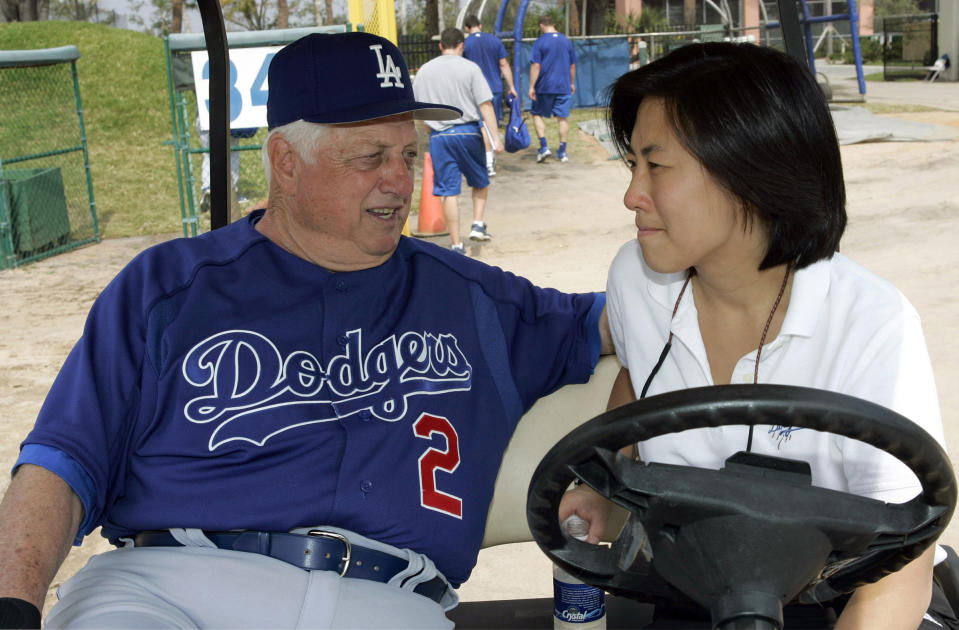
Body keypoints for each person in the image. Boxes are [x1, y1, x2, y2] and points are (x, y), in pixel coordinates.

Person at [0, 31, 612, 629]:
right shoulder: (169, 287)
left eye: (408, 154)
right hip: (170, 587)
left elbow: (637, 321)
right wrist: (13, 606)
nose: (400, 181)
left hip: (390, 600)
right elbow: (61, 462)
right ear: (286, 163)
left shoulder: (473, 296)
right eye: (370, 157)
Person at [559, 42, 955, 629]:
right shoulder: (635, 279)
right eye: (631, 166)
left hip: (842, 598)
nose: (631, 194)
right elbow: (639, 383)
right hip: (697, 588)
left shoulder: (871, 323)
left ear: (747, 171)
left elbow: (901, 569)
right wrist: (599, 479)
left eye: (656, 166)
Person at [413, 27, 502, 254]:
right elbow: (485, 104)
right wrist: (495, 138)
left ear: (441, 45)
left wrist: (430, 128)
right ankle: (477, 224)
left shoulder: (424, 71)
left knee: (449, 192)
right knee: (480, 181)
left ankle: (456, 244)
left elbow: (417, 110)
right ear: (462, 45)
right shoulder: (470, 67)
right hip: (468, 132)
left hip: (440, 137)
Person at [462, 14, 517, 177]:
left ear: (466, 28)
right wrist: (512, 86)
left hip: (476, 90)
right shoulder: (495, 41)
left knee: (483, 125)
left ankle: (487, 161)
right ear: (480, 25)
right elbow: (504, 64)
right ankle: (490, 156)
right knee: (492, 123)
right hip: (495, 87)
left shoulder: (465, 44)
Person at [528, 14, 576, 164]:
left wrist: (531, 86)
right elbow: (572, 65)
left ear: (542, 25)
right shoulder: (566, 41)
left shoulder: (540, 42)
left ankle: (543, 147)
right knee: (562, 118)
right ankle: (562, 151)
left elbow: (536, 65)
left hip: (544, 86)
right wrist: (572, 83)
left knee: (536, 114)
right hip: (563, 86)